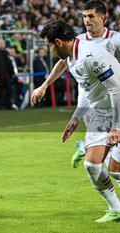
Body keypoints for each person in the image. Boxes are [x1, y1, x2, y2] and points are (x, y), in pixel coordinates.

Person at [40, 19, 120, 223]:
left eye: (49, 45)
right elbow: (87, 89)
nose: (49, 50)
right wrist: (76, 117)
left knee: (115, 170)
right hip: (100, 112)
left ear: (58, 42)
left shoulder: (90, 56)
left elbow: (116, 88)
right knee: (93, 165)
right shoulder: (72, 57)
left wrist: (116, 127)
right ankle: (116, 209)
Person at [32, 0, 120, 175]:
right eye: (84, 16)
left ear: (103, 17)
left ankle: (89, 148)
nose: (87, 20)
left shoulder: (116, 39)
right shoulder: (77, 42)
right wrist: (44, 86)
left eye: (91, 16)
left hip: (115, 99)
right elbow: (63, 62)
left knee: (114, 168)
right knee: (105, 167)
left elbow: (115, 86)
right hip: (97, 107)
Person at [0, 39, 15, 109]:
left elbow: (9, 63)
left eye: (2, 43)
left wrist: (12, 73)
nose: (1, 45)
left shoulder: (6, 53)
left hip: (7, 74)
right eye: (0, 43)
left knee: (9, 90)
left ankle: (8, 104)